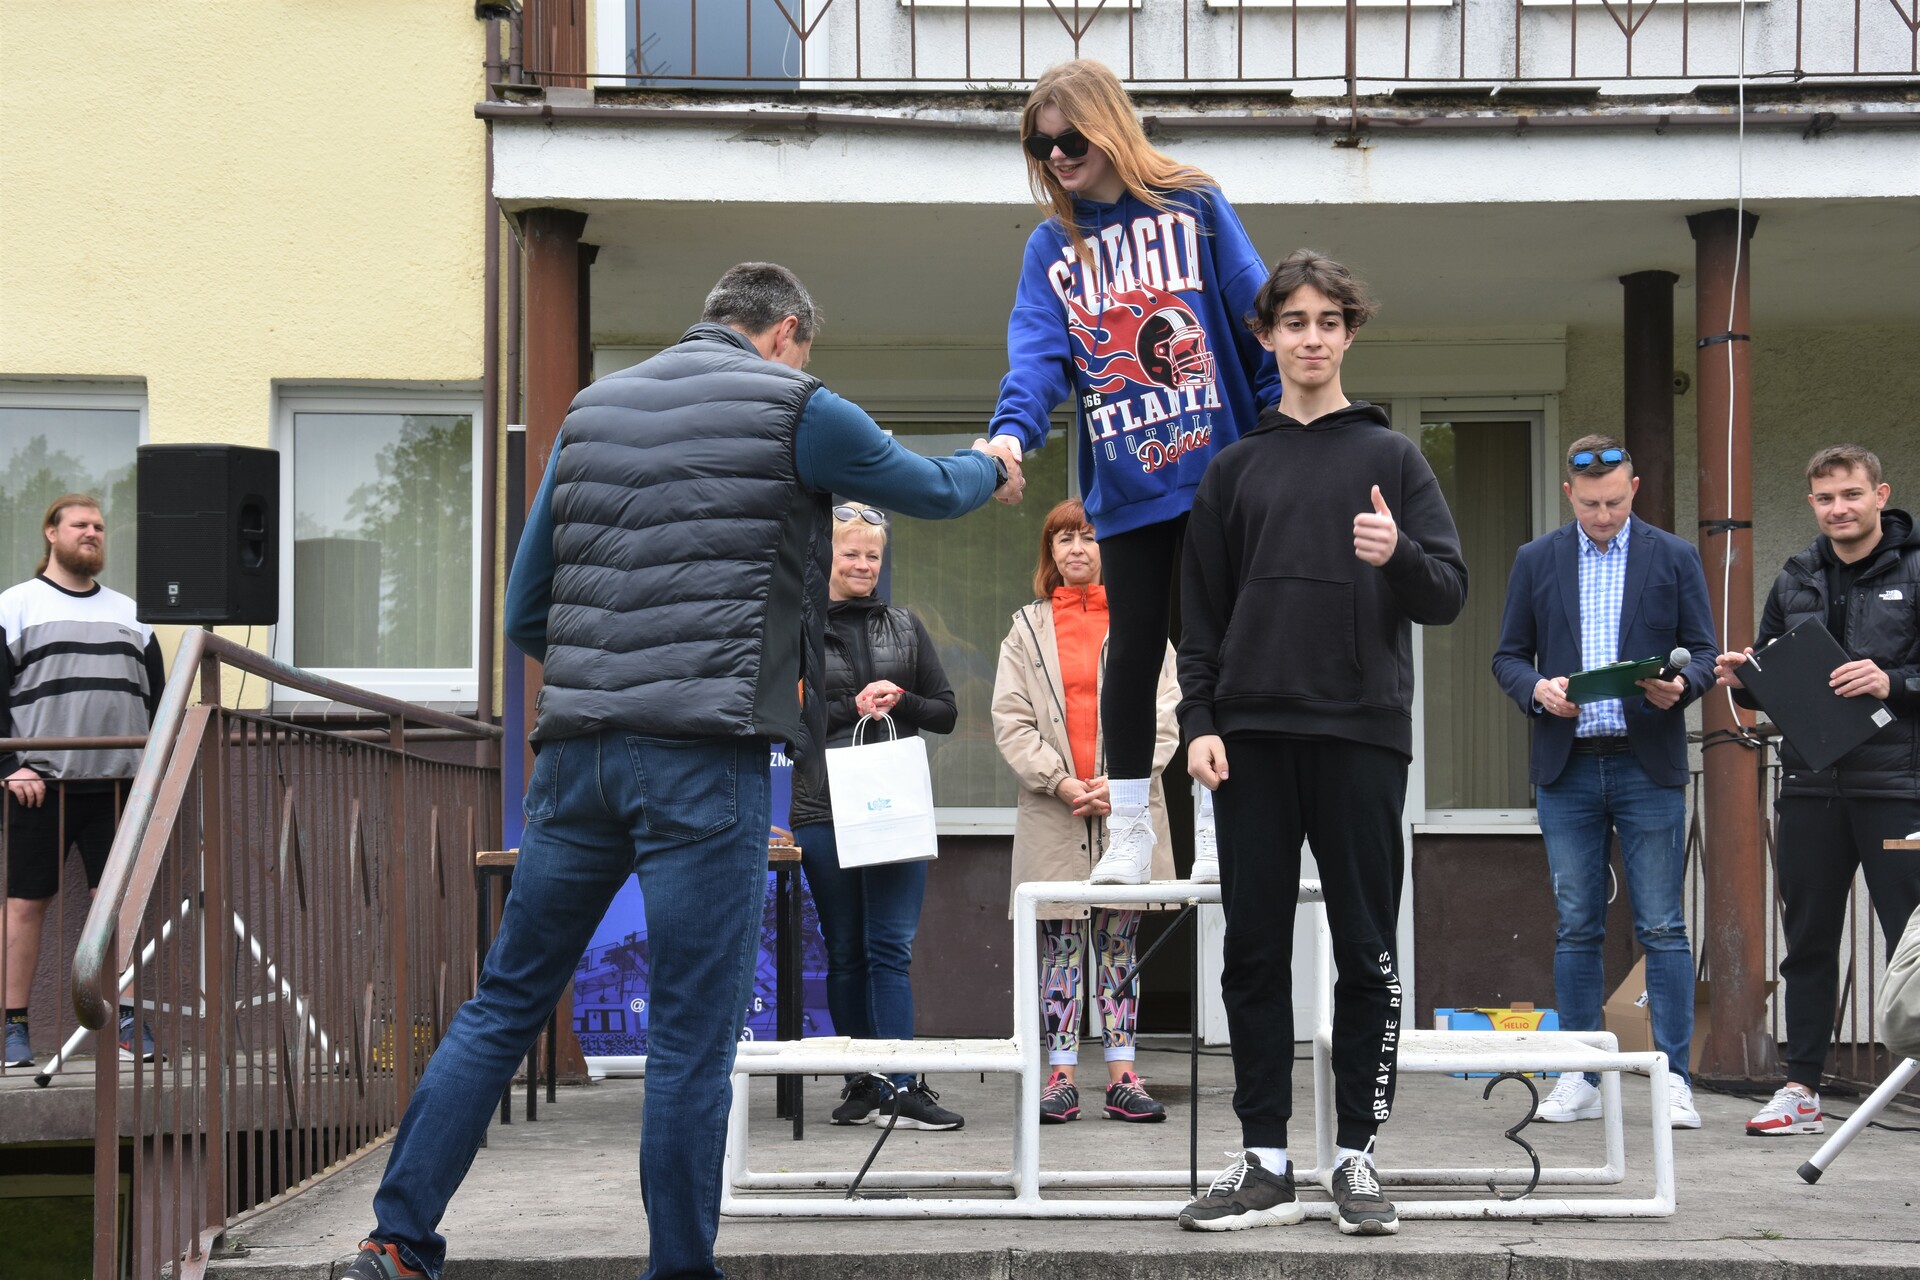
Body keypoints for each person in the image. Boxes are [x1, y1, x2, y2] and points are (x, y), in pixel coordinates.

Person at [342, 263, 1021, 1280]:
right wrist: (991, 459)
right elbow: (928, 489)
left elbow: (526, 612)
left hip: (577, 755)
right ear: (787, 332)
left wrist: (612, 677)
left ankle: (397, 1242)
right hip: (706, 756)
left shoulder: (591, 410)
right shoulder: (797, 406)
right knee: (693, 1034)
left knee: (503, 1003)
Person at [1173, 251, 1466, 1237]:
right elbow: (1199, 617)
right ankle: (1265, 1160)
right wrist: (1199, 723)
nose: (1311, 337)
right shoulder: (1232, 468)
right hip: (1249, 740)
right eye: (1292, 321)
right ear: (1266, 337)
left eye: (1328, 321)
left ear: (1350, 333)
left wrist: (1400, 554)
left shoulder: (1394, 460)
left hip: (1361, 736)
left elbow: (1449, 593)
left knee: (1368, 955)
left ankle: (1356, 1158)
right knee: (1252, 952)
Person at [987, 58, 1280, 888]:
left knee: (1216, 657)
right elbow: (1037, 357)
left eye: (1070, 140)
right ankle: (1128, 834)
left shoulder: (1194, 206)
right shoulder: (1053, 246)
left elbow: (1259, 321)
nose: (1056, 157)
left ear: (1109, 128)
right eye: (1040, 146)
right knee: (1133, 654)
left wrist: (1283, 440)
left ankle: (1217, 830)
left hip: (1219, 478)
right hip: (1125, 486)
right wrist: (1009, 437)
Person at [1490, 435, 1718, 1131]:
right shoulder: (1536, 559)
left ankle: (1674, 1080)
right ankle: (1578, 1075)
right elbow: (1507, 657)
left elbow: (1704, 653)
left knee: (1663, 925)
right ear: (1570, 494)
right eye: (1590, 504)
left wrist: (1681, 687)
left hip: (1647, 762)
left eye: (1615, 501)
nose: (1604, 515)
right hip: (1568, 767)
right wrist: (1538, 691)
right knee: (1577, 925)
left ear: (1634, 488)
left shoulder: (1673, 555)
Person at [1716, 444, 1920, 1138]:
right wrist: (1745, 677)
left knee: (1912, 942)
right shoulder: (1796, 575)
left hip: (1898, 788)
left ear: (1880, 495)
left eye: (1852, 494)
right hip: (1809, 785)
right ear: (1811, 504)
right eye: (1826, 498)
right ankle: (1800, 1090)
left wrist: (1893, 682)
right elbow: (1772, 673)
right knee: (1806, 942)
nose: (1839, 509)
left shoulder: (1915, 569)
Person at [991, 498, 1179, 1125]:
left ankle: (1123, 1076)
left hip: (1127, 808)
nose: (1077, 548)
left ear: (1108, 547)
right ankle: (1062, 1077)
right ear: (1049, 552)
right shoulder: (1025, 629)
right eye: (1064, 538)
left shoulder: (1139, 619)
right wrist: (1062, 782)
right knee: (1061, 946)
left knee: (1120, 944)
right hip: (1055, 812)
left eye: (1090, 536)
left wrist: (1120, 781)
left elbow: (1168, 711)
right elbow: (1010, 719)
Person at [788, 501, 964, 1131]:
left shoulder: (906, 626)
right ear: (825, 557)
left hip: (894, 808)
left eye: (872, 555)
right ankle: (863, 1082)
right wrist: (850, 708)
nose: (863, 564)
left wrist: (900, 699)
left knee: (888, 947)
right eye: (850, 553)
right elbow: (784, 723)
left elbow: (945, 712)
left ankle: (903, 1085)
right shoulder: (797, 629)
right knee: (844, 951)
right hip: (822, 809)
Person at [2, 495, 166, 1071]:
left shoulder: (134, 614)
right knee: (26, 906)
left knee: (115, 906)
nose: (92, 533)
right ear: (52, 533)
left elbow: (160, 702)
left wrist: (153, 773)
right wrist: (9, 768)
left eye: (98, 526)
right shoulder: (14, 606)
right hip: (39, 786)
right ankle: (14, 1027)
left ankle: (124, 1017)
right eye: (79, 525)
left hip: (120, 787)